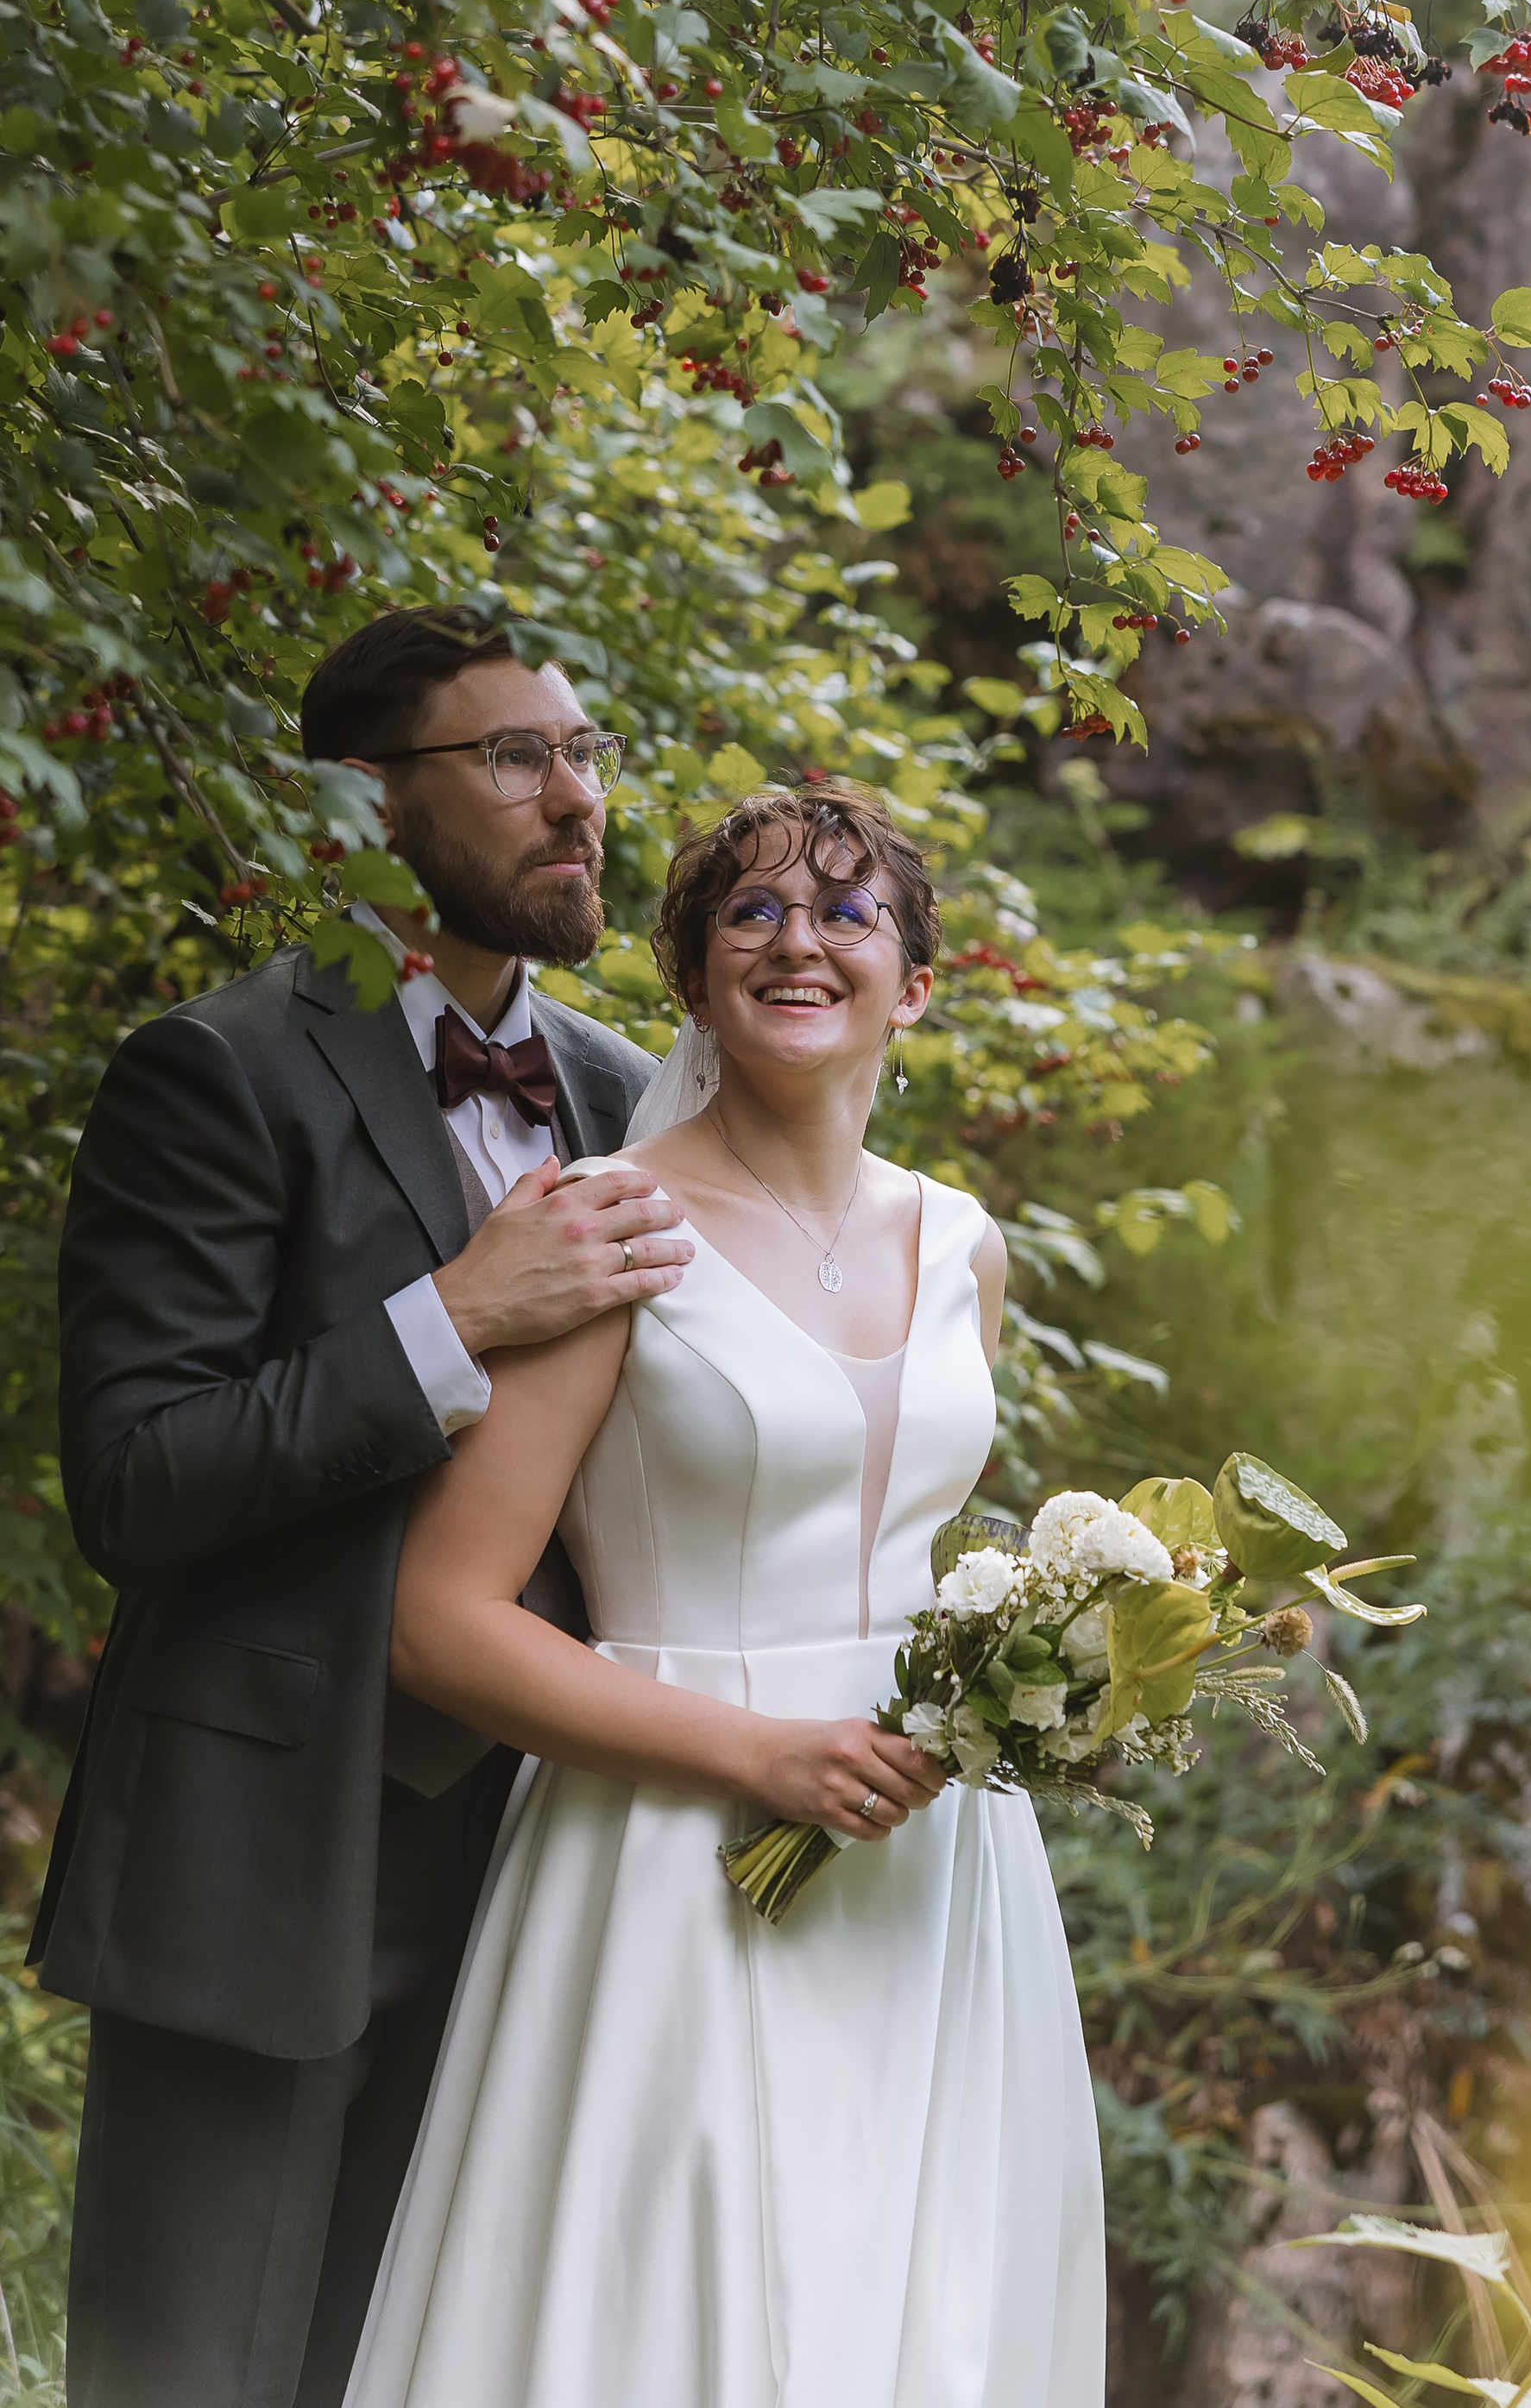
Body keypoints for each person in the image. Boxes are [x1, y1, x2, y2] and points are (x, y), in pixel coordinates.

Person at [340, 783, 1106, 2408]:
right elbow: (442, 1619)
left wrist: (1068, 1669)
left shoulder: (964, 1246)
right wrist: (757, 1759)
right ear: (688, 978)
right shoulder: (607, 1229)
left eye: (846, 913)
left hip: (938, 1867)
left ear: (917, 979)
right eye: (748, 913)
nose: (798, 942)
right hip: (673, 1857)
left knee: (922, 2316)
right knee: (674, 2319)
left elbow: (914, 1543)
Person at [35, 607, 694, 2408]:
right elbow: (137, 1479)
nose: (576, 802)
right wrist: (452, 1320)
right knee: (192, 2375)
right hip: (270, 1845)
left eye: (585, 755)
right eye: (515, 759)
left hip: (546, 1865)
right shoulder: (217, 1070)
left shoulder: (633, 1101)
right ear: (359, 807)